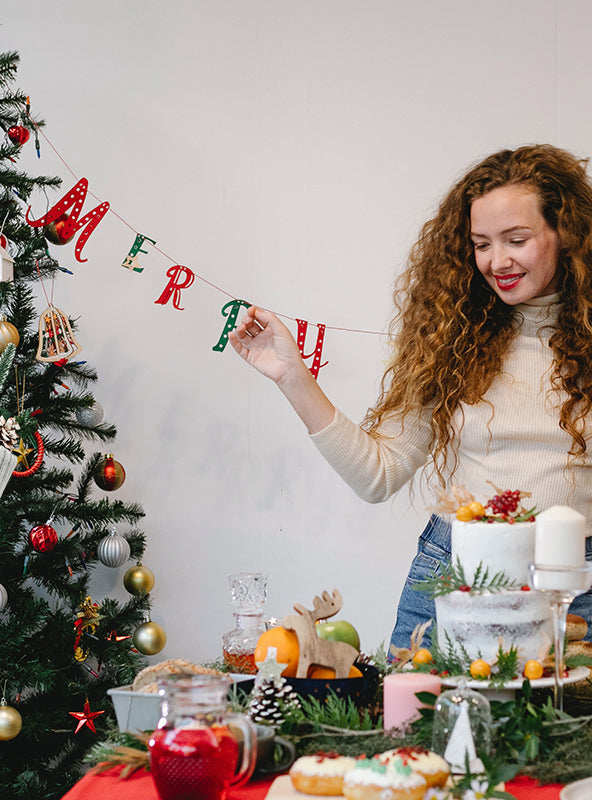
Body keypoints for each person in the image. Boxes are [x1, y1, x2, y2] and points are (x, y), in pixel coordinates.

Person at [228, 144, 592, 649]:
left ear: (566, 234)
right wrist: (293, 376)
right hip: (454, 572)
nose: (497, 260)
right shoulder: (453, 337)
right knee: (416, 726)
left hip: (573, 587)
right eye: (481, 243)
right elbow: (378, 475)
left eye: (517, 239)